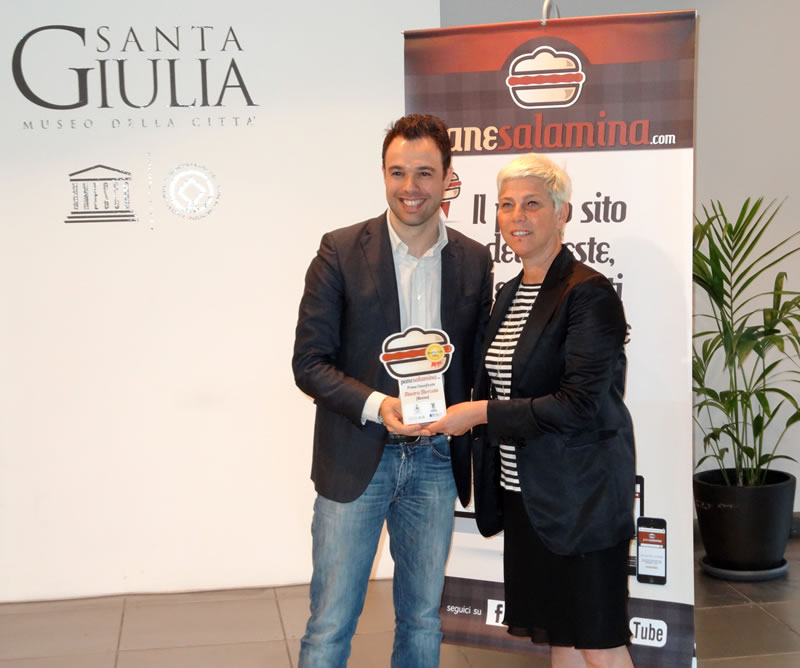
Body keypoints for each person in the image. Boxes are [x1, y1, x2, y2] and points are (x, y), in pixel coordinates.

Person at [292, 113, 493, 668]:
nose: (410, 187)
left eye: (425, 173)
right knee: (330, 624)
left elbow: (480, 362)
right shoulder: (339, 251)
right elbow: (308, 364)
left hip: (436, 459)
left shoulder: (474, 260)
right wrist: (380, 405)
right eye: (397, 172)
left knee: (423, 620)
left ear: (448, 177)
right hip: (357, 457)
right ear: (383, 174)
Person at [428, 153, 636, 668]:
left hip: (580, 500)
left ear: (562, 213)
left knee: (600, 646)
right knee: (559, 636)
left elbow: (578, 405)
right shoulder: (508, 293)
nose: (516, 217)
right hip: (527, 498)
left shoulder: (588, 294)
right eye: (506, 205)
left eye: (532, 204)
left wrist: (480, 414)